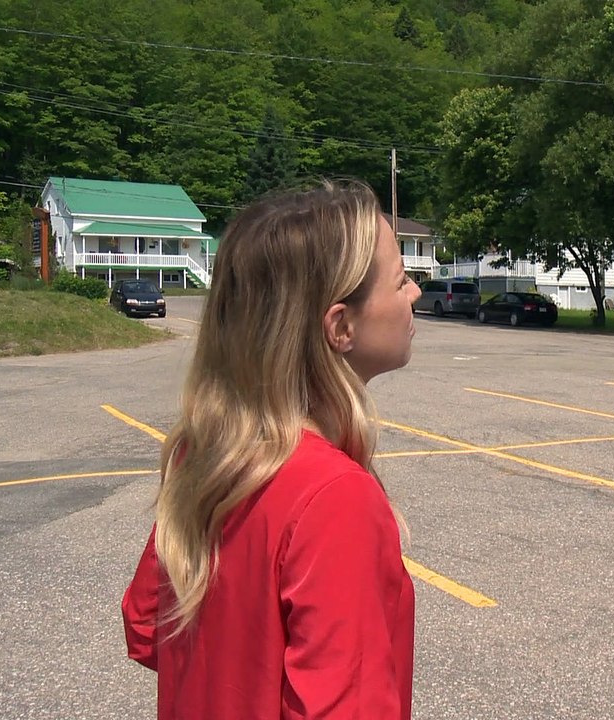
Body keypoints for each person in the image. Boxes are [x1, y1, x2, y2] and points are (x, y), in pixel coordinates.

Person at [121, 179, 422, 720]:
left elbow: (148, 630)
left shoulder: (206, 456)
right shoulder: (335, 499)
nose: (415, 294)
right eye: (400, 282)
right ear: (341, 326)